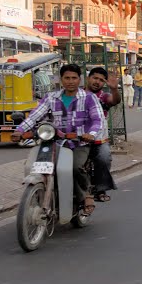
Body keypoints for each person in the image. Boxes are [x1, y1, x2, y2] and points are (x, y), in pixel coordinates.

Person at [11, 63, 107, 217]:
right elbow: (35, 115)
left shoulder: (89, 98)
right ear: (61, 79)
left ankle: (85, 195)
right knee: (36, 166)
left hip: (79, 143)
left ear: (80, 80)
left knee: (75, 167)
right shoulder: (51, 97)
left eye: (74, 78)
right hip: (54, 142)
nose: (70, 81)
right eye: (67, 78)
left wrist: (91, 133)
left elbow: (98, 120)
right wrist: (20, 130)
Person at [85, 66, 120, 203]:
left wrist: (114, 89)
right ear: (88, 78)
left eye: (101, 80)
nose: (97, 82)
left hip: (98, 138)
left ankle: (100, 189)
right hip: (75, 137)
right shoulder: (77, 94)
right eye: (95, 78)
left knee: (104, 158)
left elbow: (115, 101)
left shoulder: (104, 97)